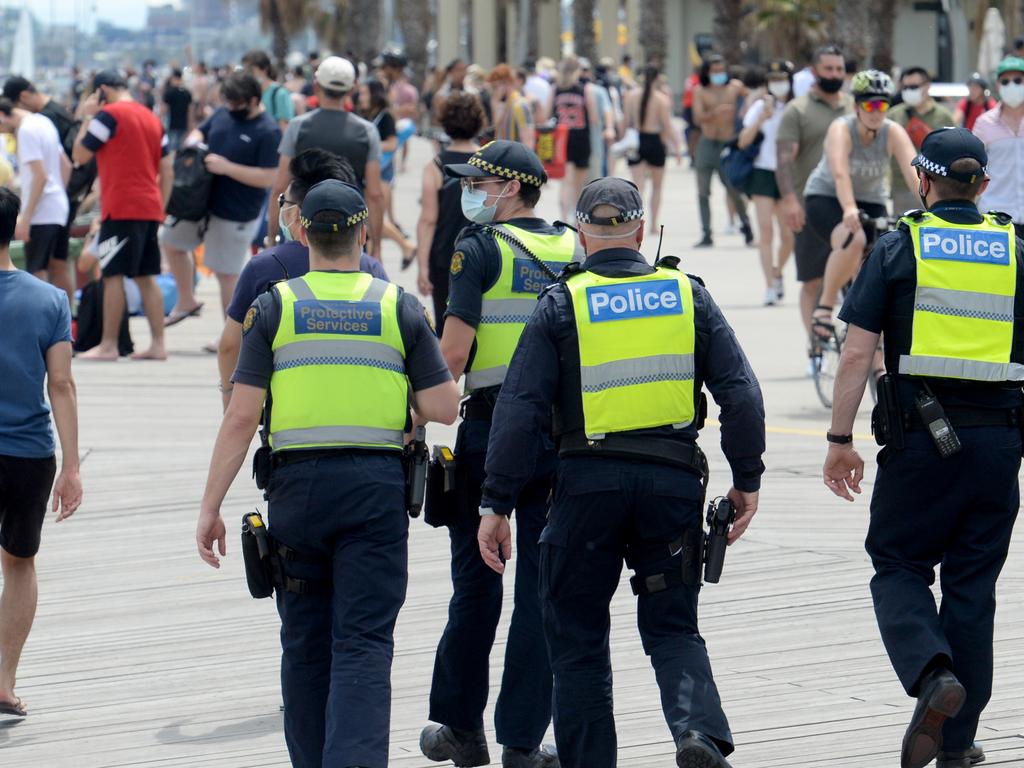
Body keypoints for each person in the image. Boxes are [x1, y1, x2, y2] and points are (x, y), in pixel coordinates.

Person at [476, 177, 766, 768]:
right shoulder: (687, 294)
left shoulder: (562, 302)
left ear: (581, 234)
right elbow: (741, 395)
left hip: (586, 488)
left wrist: (496, 502)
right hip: (672, 486)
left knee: (579, 642)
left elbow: (520, 409)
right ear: (640, 230)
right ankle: (697, 734)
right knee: (673, 627)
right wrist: (747, 478)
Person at [196, 179, 460, 768]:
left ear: (303, 232)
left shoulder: (276, 307)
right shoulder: (397, 306)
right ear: (363, 233)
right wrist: (395, 398)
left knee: (305, 644)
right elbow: (444, 407)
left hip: (297, 495)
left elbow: (241, 417)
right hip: (374, 491)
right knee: (364, 642)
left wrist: (210, 506)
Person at [823, 127, 1021, 768]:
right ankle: (958, 745)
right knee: (973, 588)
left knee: (899, 564)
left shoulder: (899, 245)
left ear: (922, 181)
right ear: (984, 186)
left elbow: (856, 352)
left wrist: (839, 438)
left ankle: (932, 674)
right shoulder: (1016, 248)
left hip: (920, 445)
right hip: (998, 449)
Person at [419, 141, 578, 768]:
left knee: (476, 584)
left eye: (479, 181)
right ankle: (521, 740)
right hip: (563, 436)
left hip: (489, 429)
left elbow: (452, 356)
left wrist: (410, 414)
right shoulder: (574, 244)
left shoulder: (477, 248)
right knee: (542, 592)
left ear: (510, 188)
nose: (471, 190)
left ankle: (460, 728)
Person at [217, 149, 389, 410]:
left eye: (283, 203)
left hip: (289, 416)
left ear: (297, 214)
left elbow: (230, 346)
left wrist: (230, 396)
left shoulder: (263, 268)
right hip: (364, 410)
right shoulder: (371, 268)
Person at [0, 186, 82, 719]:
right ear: (17, 232)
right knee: (19, 563)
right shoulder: (49, 299)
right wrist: (72, 467)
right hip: (28, 453)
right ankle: (3, 684)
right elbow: (62, 384)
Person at [161, 72, 280, 335]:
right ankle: (186, 299)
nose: (231, 109)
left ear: (252, 100)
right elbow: (200, 130)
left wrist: (227, 168)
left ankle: (232, 335)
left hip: (237, 211)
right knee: (171, 241)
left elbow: (268, 177)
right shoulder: (223, 113)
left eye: (237, 104)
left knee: (227, 273)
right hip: (202, 201)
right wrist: (193, 142)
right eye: (228, 103)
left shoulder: (268, 131)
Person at [804, 70, 918, 336]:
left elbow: (914, 174)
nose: (876, 111)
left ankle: (869, 336)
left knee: (879, 260)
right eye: (869, 104)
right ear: (856, 106)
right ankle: (825, 306)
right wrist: (849, 208)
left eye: (882, 104)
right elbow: (839, 171)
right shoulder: (841, 128)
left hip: (872, 200)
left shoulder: (892, 132)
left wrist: (934, 210)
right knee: (853, 239)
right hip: (828, 197)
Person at [72, 70, 173, 361]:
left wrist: (89, 116)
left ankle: (108, 345)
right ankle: (158, 344)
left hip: (121, 205)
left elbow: (81, 155)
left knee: (112, 273)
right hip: (150, 206)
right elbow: (167, 169)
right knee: (145, 275)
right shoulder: (151, 118)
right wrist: (161, 206)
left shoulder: (108, 117)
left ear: (103, 90)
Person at [268, 56, 384, 256]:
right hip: (349, 229)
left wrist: (272, 238)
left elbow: (279, 186)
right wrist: (377, 247)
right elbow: (375, 193)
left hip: (303, 229)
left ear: (316, 86)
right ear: (352, 89)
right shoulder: (367, 131)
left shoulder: (298, 126)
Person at [776, 44, 853, 338]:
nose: (835, 74)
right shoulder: (798, 110)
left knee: (856, 280)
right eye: (828, 69)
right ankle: (816, 347)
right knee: (812, 282)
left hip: (849, 209)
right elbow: (784, 161)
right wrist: (790, 201)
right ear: (814, 71)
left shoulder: (853, 108)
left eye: (839, 69)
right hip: (809, 209)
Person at [414, 92, 482, 335]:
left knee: (446, 327)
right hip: (483, 254)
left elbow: (428, 219)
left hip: (445, 257)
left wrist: (422, 266)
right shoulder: (488, 162)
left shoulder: (435, 166)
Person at [0, 98, 72, 307]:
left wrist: (26, 216)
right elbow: (65, 165)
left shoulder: (26, 131)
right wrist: (59, 191)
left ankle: (42, 318)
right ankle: (67, 319)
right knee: (59, 266)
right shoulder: (44, 121)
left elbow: (40, 175)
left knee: (36, 269)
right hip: (59, 205)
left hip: (41, 211)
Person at [739, 59, 795, 306]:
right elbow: (743, 141)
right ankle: (770, 286)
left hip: (787, 174)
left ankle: (777, 270)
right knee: (766, 231)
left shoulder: (796, 108)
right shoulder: (760, 106)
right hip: (762, 172)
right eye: (773, 80)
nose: (778, 85)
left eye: (782, 79)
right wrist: (762, 116)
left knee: (788, 235)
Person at [692, 54, 753, 247]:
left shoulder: (734, 88)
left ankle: (746, 225)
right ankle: (706, 232)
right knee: (703, 191)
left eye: (721, 70)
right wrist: (714, 113)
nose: (719, 74)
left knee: (733, 188)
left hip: (727, 144)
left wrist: (745, 116)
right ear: (707, 72)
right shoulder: (701, 91)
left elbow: (753, 97)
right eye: (714, 71)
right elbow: (697, 118)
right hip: (707, 143)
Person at [356, 78, 416, 265]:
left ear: (375, 95)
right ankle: (403, 247)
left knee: (372, 217)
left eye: (365, 93)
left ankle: (405, 246)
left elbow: (392, 144)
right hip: (368, 172)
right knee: (369, 217)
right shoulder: (365, 115)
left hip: (381, 172)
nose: (361, 96)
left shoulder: (385, 116)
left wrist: (371, 145)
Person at [888, 68, 953, 216]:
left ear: (927, 86)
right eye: (905, 87)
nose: (908, 91)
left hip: (935, 189)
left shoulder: (944, 117)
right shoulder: (894, 115)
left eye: (913, 87)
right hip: (901, 187)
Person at [625, 65, 681, 234]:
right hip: (655, 141)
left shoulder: (630, 96)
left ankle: (635, 223)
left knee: (637, 186)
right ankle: (653, 224)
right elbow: (667, 125)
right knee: (657, 187)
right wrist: (677, 148)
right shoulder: (661, 99)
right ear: (657, 78)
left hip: (636, 140)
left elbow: (625, 122)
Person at [973, 57, 1024, 240]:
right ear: (998, 85)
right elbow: (973, 166)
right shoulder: (984, 123)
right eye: (1006, 81)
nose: (1012, 85)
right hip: (995, 218)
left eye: (1018, 80)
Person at [552, 56, 600, 220]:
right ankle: (576, 218)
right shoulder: (585, 89)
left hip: (562, 137)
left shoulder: (555, 89)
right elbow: (593, 118)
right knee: (578, 184)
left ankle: (563, 217)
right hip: (580, 137)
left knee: (565, 182)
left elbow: (545, 114)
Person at [241, 49, 296, 132]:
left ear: (264, 69)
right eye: (244, 71)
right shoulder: (247, 93)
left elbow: (285, 129)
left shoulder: (279, 93)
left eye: (251, 70)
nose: (247, 75)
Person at [487, 64, 535, 148]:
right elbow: (497, 133)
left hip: (517, 158)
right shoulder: (506, 105)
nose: (494, 92)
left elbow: (528, 139)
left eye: (495, 87)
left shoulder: (519, 105)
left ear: (505, 83)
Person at [161, 69, 193, 152]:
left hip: (171, 124)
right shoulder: (187, 93)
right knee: (181, 148)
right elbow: (190, 111)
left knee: (171, 147)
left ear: (173, 78)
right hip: (183, 124)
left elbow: (164, 110)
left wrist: (160, 120)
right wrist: (190, 126)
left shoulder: (169, 92)